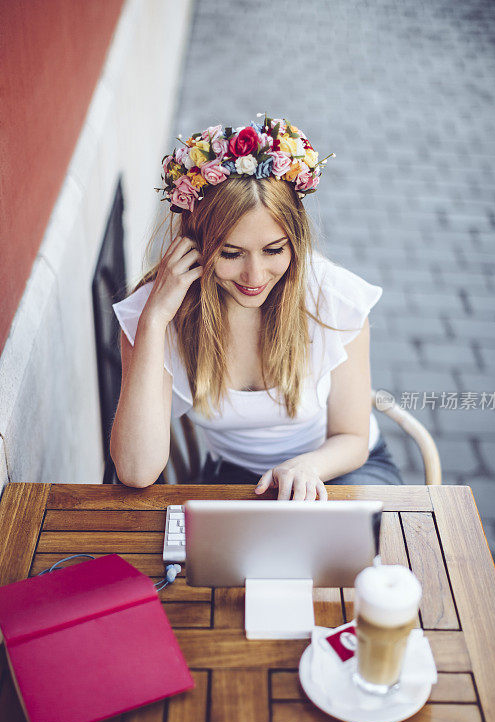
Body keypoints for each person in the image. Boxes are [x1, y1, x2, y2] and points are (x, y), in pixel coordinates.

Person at [110, 114, 404, 498]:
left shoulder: (334, 299)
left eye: (273, 250)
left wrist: (306, 466)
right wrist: (153, 323)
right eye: (231, 253)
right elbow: (135, 470)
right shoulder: (156, 315)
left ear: (295, 242)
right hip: (237, 476)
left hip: (339, 466)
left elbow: (351, 438)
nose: (255, 275)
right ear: (195, 244)